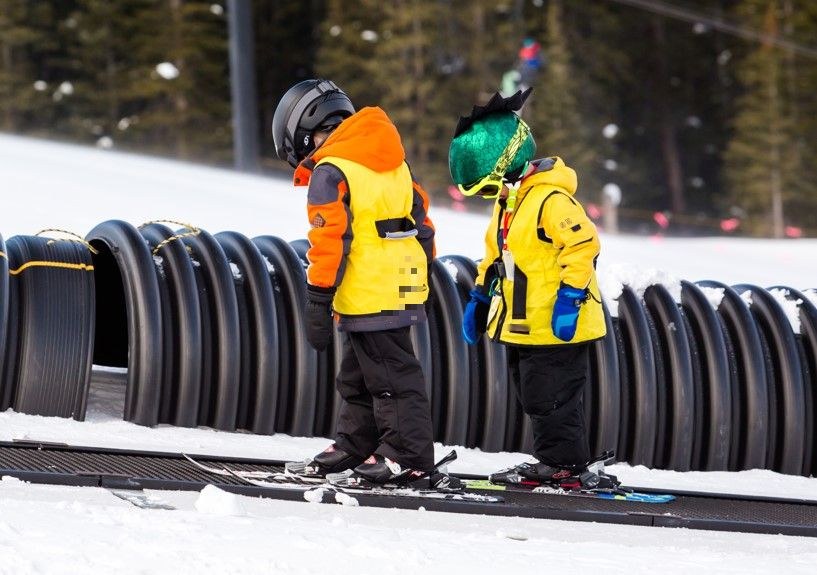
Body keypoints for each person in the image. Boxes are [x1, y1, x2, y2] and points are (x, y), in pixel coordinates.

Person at [272, 79, 437, 485]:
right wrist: (422, 274)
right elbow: (423, 223)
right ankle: (355, 444)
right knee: (359, 376)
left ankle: (407, 457)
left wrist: (317, 297)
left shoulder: (331, 172)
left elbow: (328, 240)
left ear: (307, 129)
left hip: (367, 290)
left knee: (391, 379)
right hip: (395, 288)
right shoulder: (394, 162)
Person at [448, 88, 608, 488]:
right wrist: (480, 295)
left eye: (488, 187)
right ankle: (552, 459)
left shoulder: (552, 201)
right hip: (525, 324)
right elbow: (495, 255)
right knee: (534, 395)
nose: (491, 197)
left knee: (553, 398)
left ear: (507, 166)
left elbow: (583, 244)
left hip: (556, 323)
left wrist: (570, 298)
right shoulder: (509, 206)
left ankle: (566, 465)